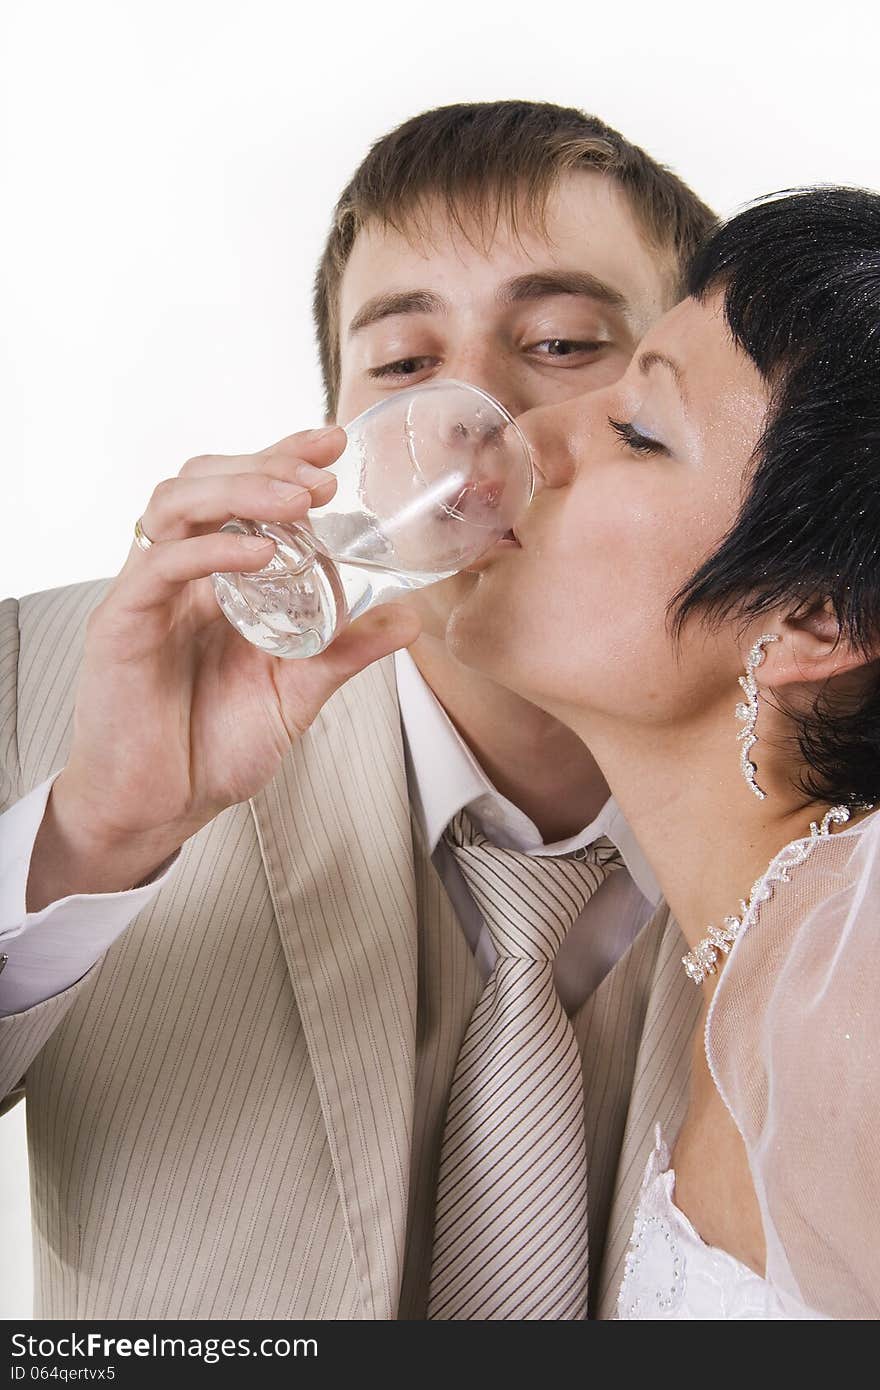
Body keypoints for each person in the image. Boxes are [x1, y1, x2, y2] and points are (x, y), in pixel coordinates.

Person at [0, 101, 714, 1319]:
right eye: (400, 366)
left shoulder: (823, 774)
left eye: (560, 343)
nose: (471, 430)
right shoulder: (38, 673)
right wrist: (90, 839)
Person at [446, 184, 880, 1319]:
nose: (530, 433)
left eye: (638, 430)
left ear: (813, 624)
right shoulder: (764, 956)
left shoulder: (852, 996)